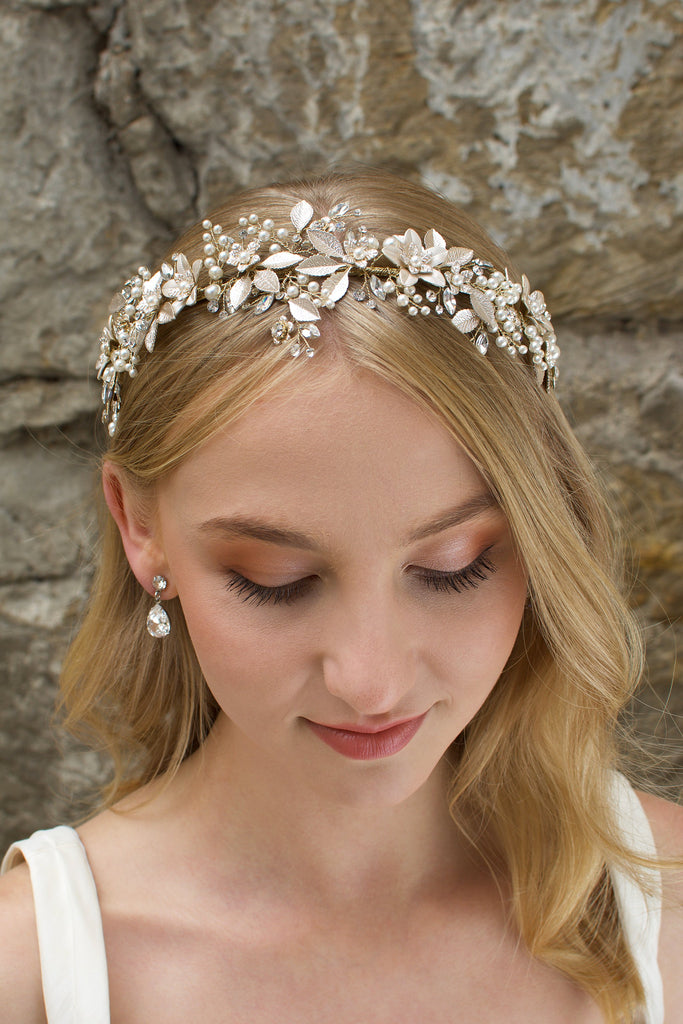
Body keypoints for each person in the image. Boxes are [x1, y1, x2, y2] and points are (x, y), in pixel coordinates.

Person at [0, 171, 680, 1023]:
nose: (370, 683)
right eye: (272, 581)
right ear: (139, 526)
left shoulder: (665, 903)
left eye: (454, 566)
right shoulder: (33, 969)